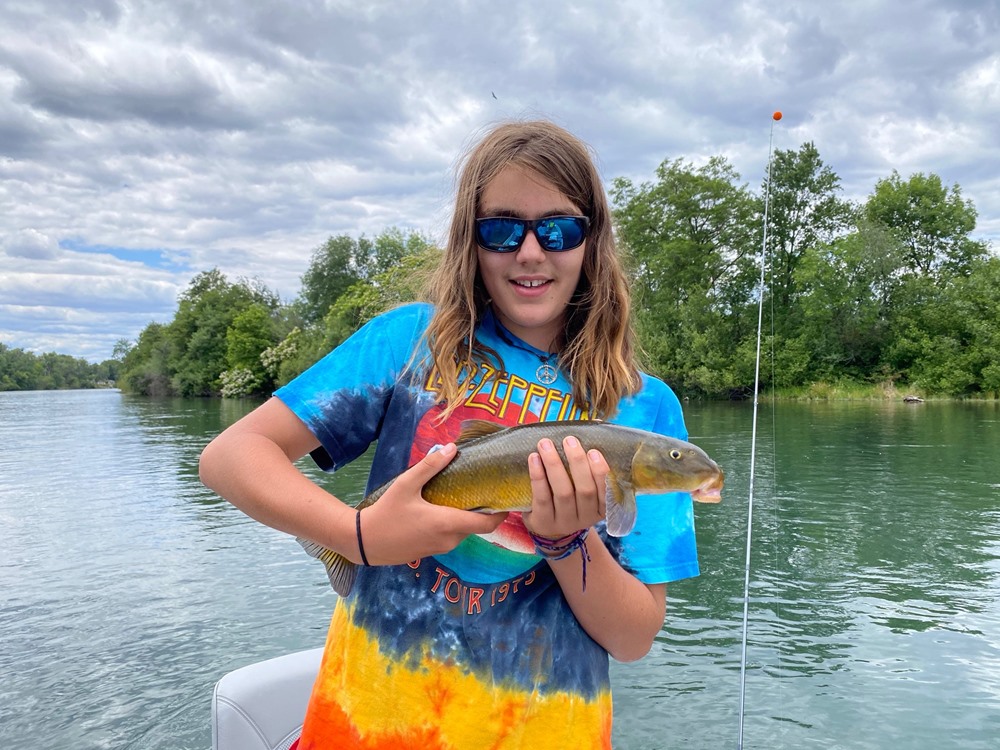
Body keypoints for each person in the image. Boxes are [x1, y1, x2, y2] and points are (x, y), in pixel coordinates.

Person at [199, 119, 699, 750]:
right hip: (367, 728)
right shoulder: (410, 343)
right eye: (501, 228)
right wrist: (358, 535)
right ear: (471, 239)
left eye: (559, 228)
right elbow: (229, 457)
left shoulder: (645, 409)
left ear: (592, 241)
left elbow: (633, 639)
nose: (530, 251)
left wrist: (567, 541)